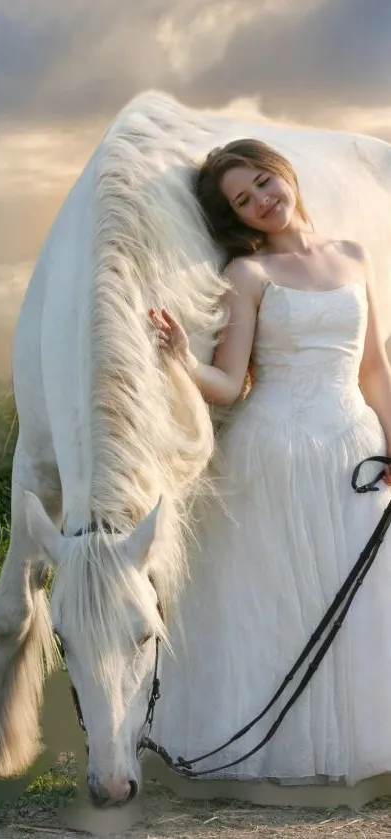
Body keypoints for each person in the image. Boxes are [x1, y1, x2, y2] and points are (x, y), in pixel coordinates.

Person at [148, 139, 391, 787]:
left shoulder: (353, 256)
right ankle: (277, 749)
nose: (261, 200)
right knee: (278, 601)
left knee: (362, 596)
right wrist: (176, 356)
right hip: (274, 449)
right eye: (242, 199)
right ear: (233, 215)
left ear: (284, 173)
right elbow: (230, 385)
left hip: (350, 444)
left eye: (262, 182)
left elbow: (372, 370)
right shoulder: (246, 276)